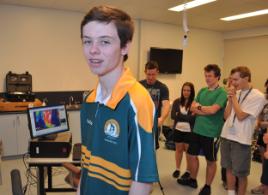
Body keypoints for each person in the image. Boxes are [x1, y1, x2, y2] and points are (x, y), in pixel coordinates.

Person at [76, 5, 158, 195]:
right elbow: (86, 164)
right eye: (87, 41)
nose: (93, 51)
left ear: (125, 46)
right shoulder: (89, 100)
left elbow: (143, 182)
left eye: (104, 42)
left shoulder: (137, 101)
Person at [177, 64, 227, 195]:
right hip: (197, 130)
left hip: (211, 133)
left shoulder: (222, 93)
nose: (207, 78)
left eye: (210, 76)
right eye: (205, 75)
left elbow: (213, 110)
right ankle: (192, 179)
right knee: (191, 155)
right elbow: (192, 108)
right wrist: (205, 109)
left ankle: (207, 186)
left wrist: (201, 108)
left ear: (217, 77)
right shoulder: (202, 91)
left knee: (210, 161)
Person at [220, 67, 266, 195]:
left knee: (240, 174)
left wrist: (233, 97)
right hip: (226, 135)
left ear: (246, 78)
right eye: (231, 79)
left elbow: (240, 116)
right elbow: (226, 116)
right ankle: (230, 193)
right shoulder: (236, 93)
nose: (233, 82)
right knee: (228, 168)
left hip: (241, 140)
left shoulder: (258, 96)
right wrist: (230, 99)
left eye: (236, 79)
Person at [140, 61, 170, 149]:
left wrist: (162, 118)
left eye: (153, 74)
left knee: (151, 150)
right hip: (139, 122)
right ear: (145, 72)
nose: (150, 77)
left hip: (154, 124)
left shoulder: (162, 87)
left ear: (157, 72)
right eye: (148, 74)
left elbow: (166, 104)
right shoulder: (138, 85)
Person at [171, 82, 196, 180]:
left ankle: (188, 171)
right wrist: (187, 117)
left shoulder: (194, 103)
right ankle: (177, 169)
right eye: (184, 90)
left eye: (188, 90)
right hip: (178, 130)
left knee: (188, 152)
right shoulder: (177, 101)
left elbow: (192, 119)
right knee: (179, 150)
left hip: (189, 131)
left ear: (192, 91)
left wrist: (180, 115)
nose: (186, 92)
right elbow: (173, 115)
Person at [251, 79, 268, 194]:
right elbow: (260, 113)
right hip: (263, 133)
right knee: (264, 161)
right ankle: (264, 184)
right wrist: (258, 122)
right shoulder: (265, 99)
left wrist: (264, 123)